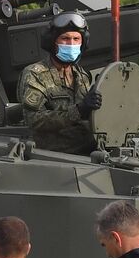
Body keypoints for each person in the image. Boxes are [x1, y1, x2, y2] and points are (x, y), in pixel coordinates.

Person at [18, 11, 103, 154]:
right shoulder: (35, 74)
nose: (71, 44)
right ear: (52, 42)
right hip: (55, 155)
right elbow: (34, 120)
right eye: (65, 38)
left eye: (76, 39)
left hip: (87, 151)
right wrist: (79, 110)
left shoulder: (82, 75)